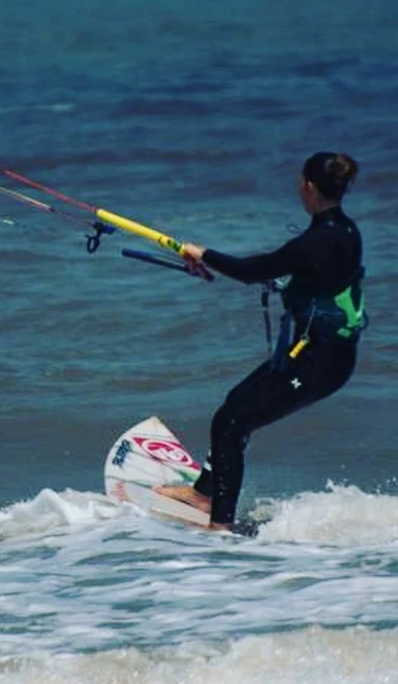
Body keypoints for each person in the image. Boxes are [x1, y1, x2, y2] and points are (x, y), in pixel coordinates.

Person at [157, 151, 367, 532]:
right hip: (326, 355)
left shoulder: (315, 242)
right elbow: (320, 280)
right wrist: (290, 284)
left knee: (232, 422)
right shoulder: (347, 232)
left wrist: (202, 253)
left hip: (318, 361)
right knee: (236, 405)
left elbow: (252, 270)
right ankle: (205, 493)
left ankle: (220, 525)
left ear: (308, 186)